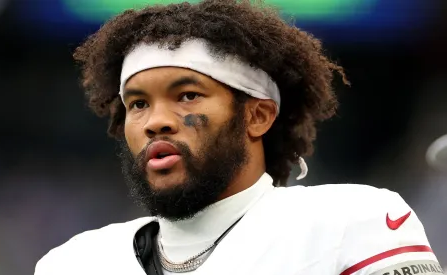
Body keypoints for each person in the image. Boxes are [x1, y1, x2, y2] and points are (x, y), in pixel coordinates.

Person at [34, 1, 442, 274]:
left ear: (257, 116)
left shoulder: (352, 222)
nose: (155, 121)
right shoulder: (72, 263)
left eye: (187, 95)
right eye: (138, 104)